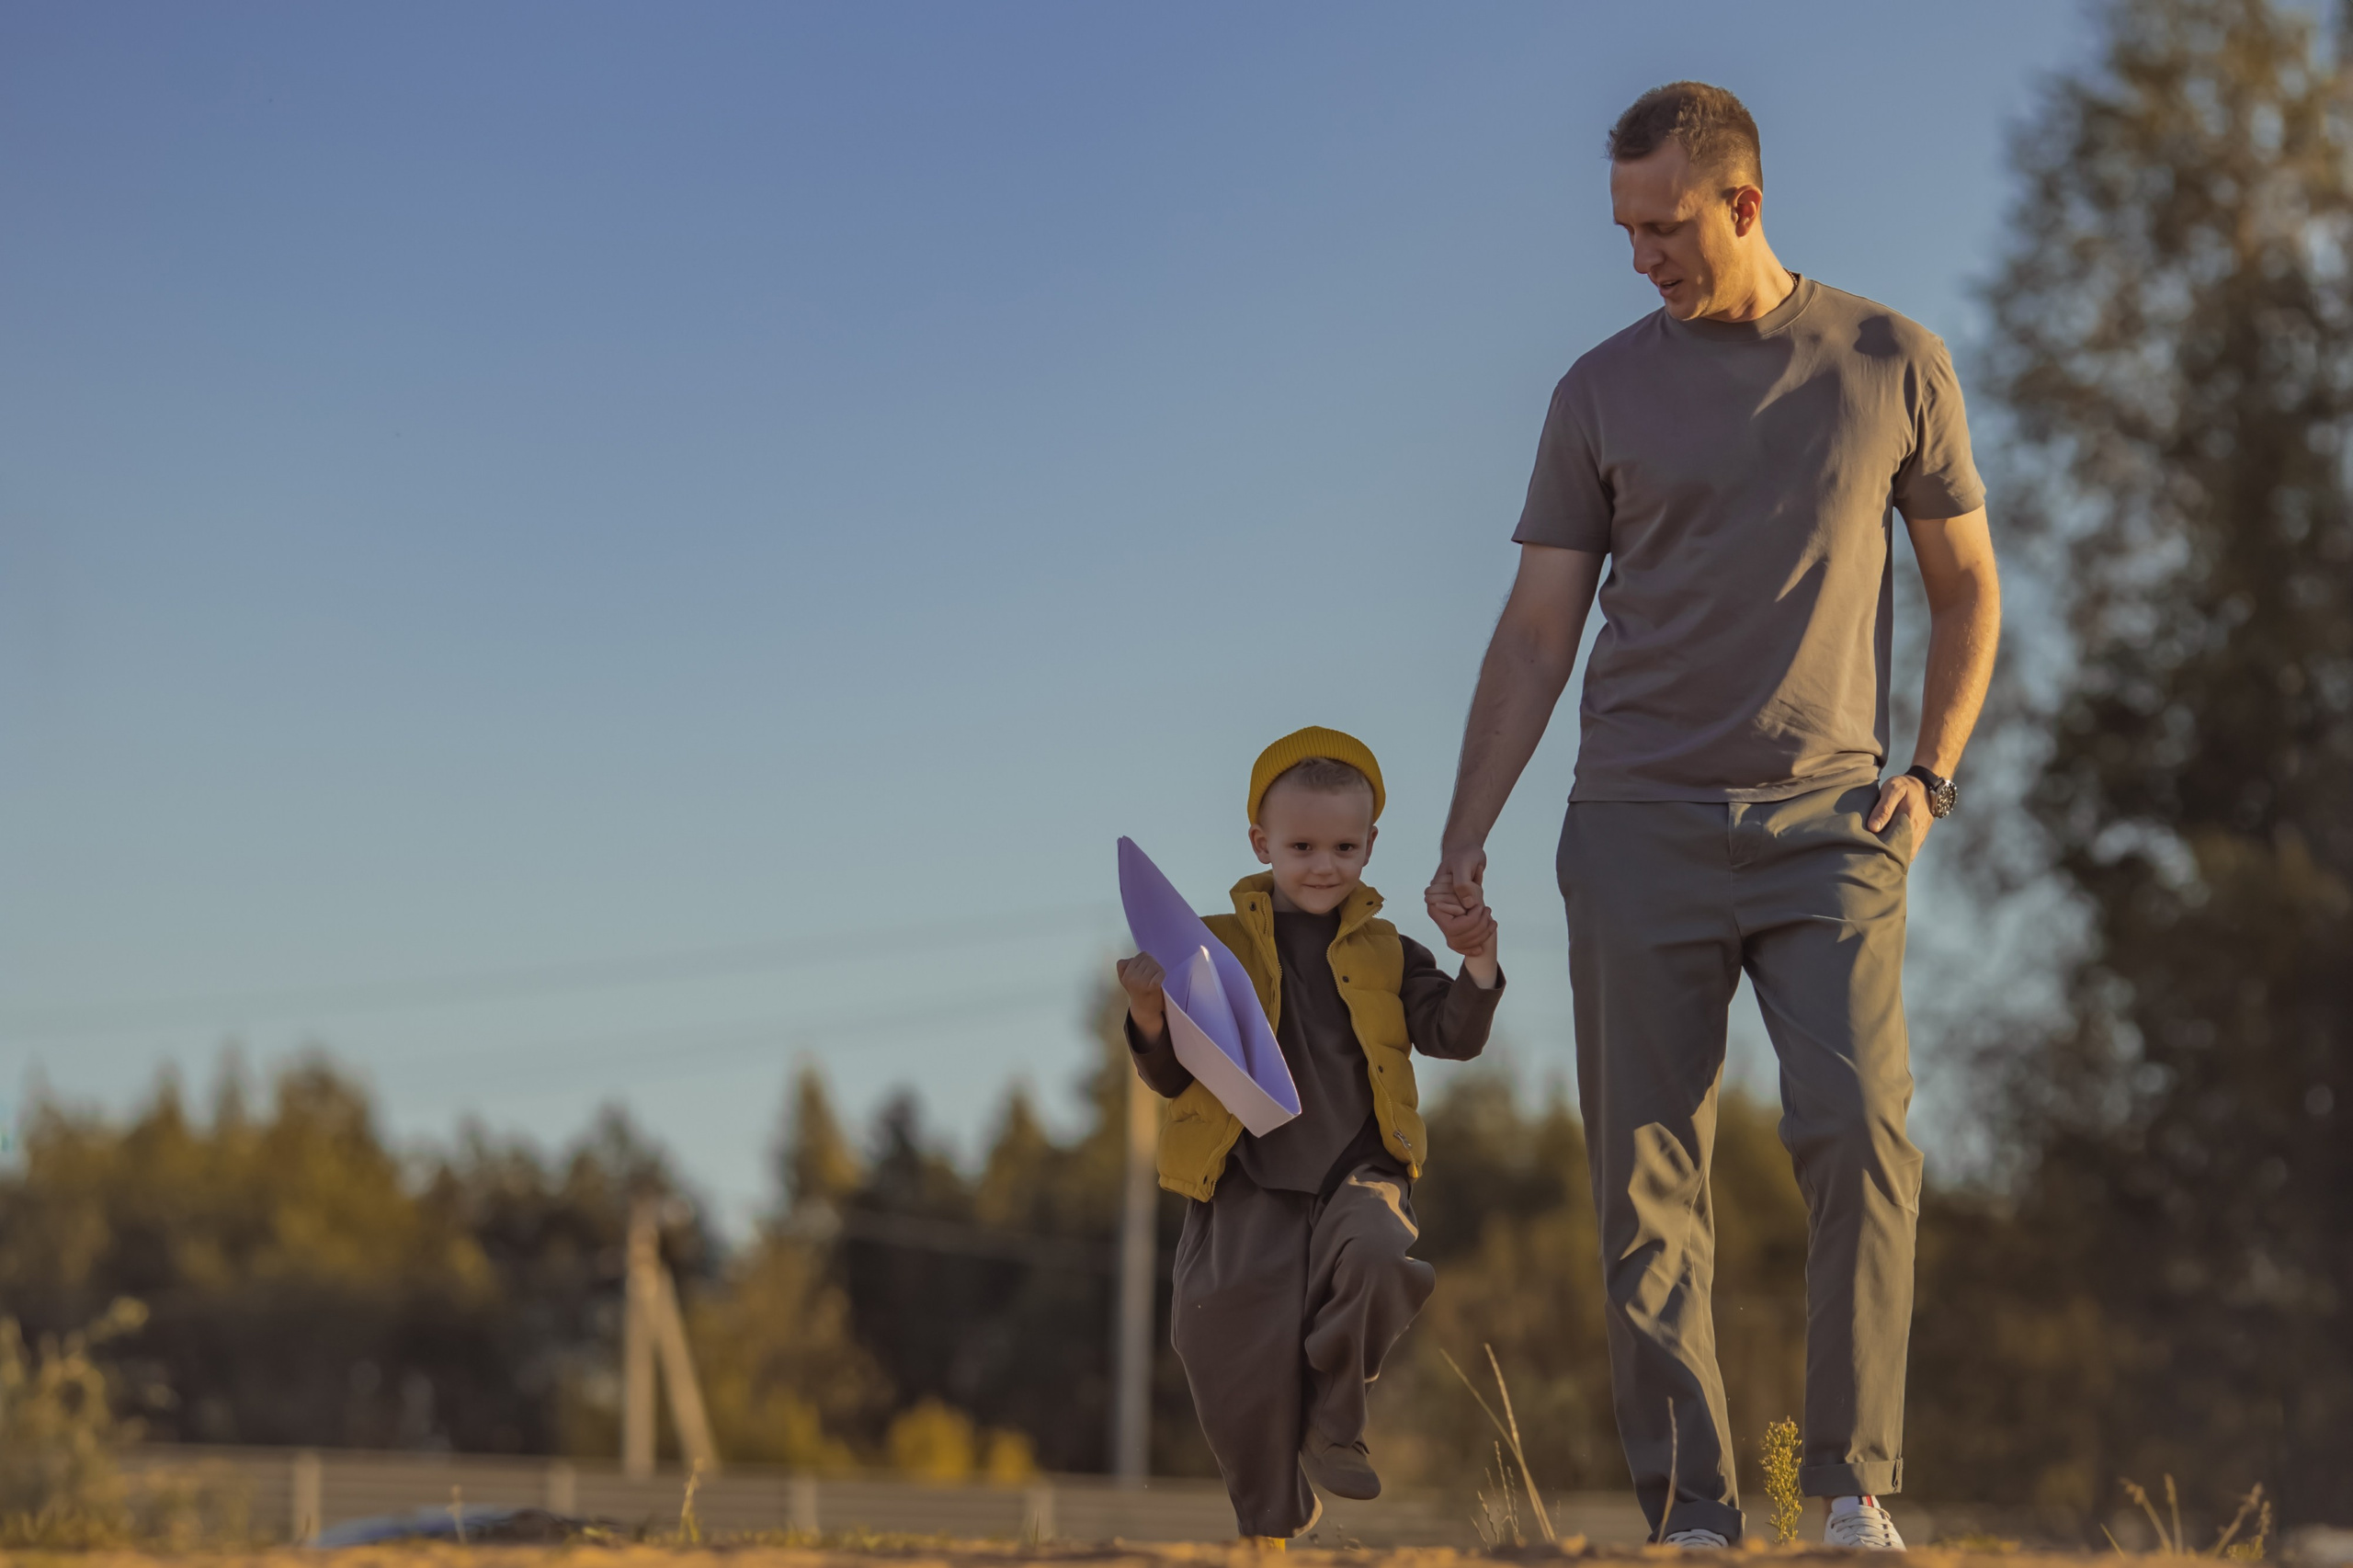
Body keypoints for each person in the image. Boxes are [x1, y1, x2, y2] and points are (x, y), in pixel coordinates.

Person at [1424, 83, 2003, 1552]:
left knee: (1862, 1131)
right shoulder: (1596, 393)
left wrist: (1928, 776)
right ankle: (1692, 1514)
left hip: (1834, 825)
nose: (1642, 257)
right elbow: (1539, 630)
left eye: (1664, 226)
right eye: (1624, 229)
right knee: (1644, 1177)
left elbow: (1965, 586)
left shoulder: (1891, 361)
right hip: (1635, 822)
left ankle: (1851, 1492)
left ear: (1743, 202)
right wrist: (1462, 831)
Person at [1118, 726, 1503, 1549]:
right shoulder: (1208, 945)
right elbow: (1175, 1076)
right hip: (1244, 1180)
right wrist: (1150, 1015)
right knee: (1216, 1339)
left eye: (1343, 846)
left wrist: (1477, 967)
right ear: (1261, 842)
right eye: (1300, 845)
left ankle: (1336, 1419)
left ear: (1369, 846)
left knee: (1374, 1258)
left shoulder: (1391, 953)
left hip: (1357, 1171)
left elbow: (1453, 1034)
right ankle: (1273, 1529)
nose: (1323, 865)